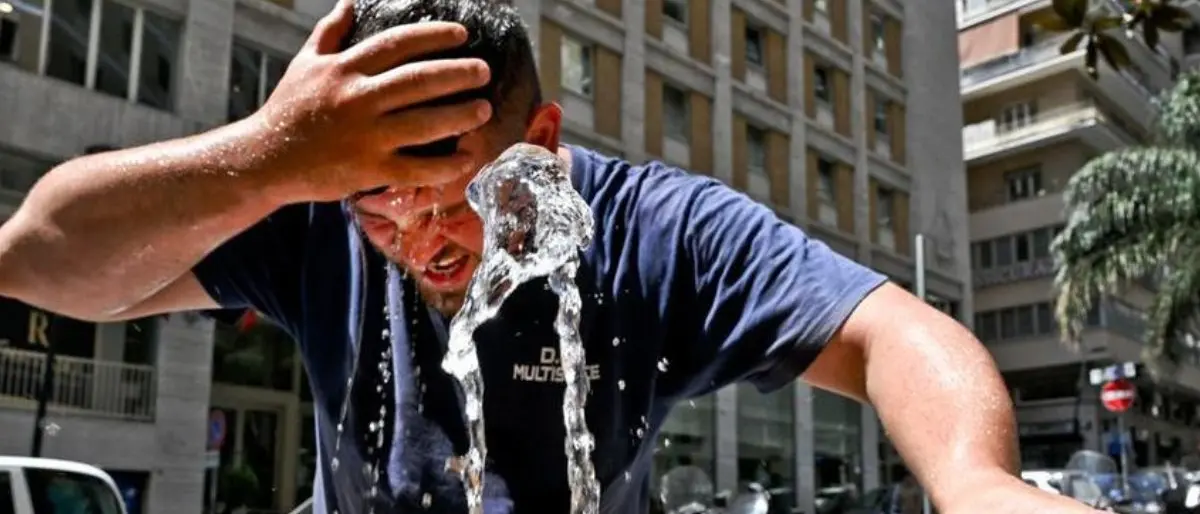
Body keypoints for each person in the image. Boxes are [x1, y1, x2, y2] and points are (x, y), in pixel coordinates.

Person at [0, 0, 1101, 513]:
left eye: (458, 200)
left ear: (540, 148)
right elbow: (38, 259)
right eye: (381, 208)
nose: (422, 238)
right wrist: (267, 158)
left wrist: (975, 482)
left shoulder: (649, 230)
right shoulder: (306, 210)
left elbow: (889, 332)